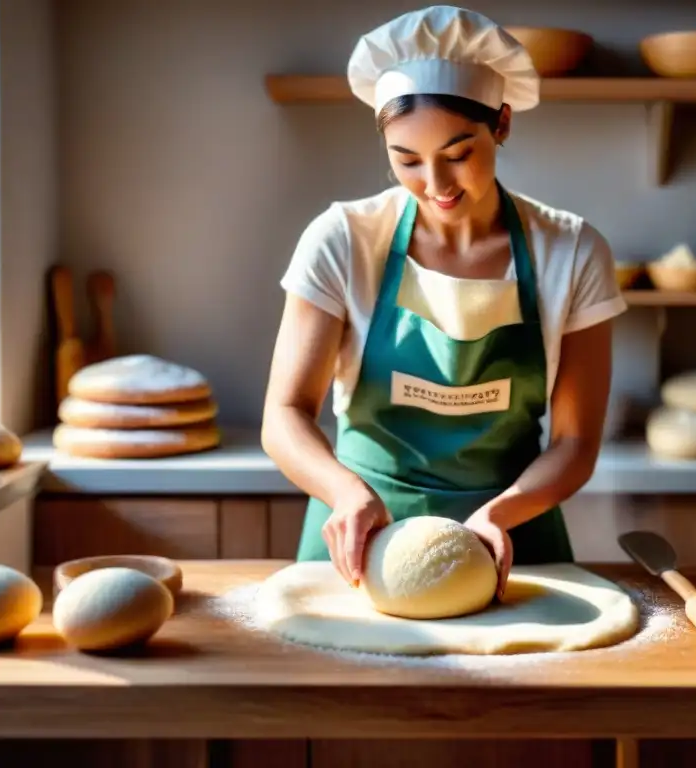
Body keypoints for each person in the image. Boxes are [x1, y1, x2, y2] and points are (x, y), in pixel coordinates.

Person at [261, 5, 626, 600]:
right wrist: (348, 495)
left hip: (511, 533)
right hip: (364, 535)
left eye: (458, 154)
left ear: (502, 124)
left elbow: (574, 443)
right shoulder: (345, 240)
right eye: (406, 160)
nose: (436, 183)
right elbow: (285, 414)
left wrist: (501, 515)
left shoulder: (572, 251)